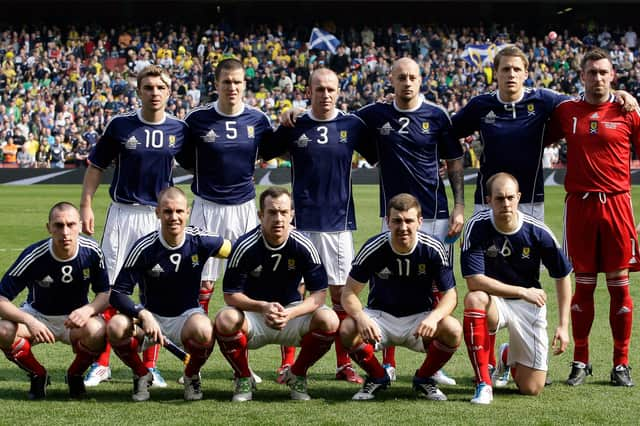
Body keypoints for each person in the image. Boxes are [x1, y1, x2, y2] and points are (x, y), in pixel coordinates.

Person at [281, 58, 464, 385]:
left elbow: (453, 159)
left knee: (437, 285)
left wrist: (460, 205)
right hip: (391, 215)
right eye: (401, 77)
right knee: (386, 282)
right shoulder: (373, 115)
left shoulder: (437, 115)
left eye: (412, 77)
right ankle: (387, 361)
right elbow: (331, 114)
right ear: (390, 81)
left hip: (433, 212)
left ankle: (435, 362)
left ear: (421, 80)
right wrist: (293, 111)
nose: (407, 82)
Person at [262, 68, 376, 385]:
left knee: (340, 295)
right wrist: (284, 116)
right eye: (319, 89)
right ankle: (289, 364)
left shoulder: (352, 125)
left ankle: (344, 365)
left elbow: (380, 152)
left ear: (338, 92)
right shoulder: (295, 124)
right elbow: (266, 149)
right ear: (308, 90)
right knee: (294, 292)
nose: (325, 94)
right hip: (299, 224)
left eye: (331, 89)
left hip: (338, 224)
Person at [80, 64, 188, 388]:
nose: (155, 92)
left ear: (169, 92)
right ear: (139, 91)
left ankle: (150, 367)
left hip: (159, 218)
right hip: (122, 214)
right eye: (149, 87)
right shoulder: (120, 125)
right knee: (111, 290)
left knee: (155, 290)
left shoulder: (180, 129)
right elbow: (96, 166)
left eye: (161, 87)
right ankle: (101, 365)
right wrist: (86, 204)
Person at [547, 48, 640, 387]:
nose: (598, 78)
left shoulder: (629, 112)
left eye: (603, 72)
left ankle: (621, 363)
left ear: (613, 75)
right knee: (582, 287)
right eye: (592, 72)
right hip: (581, 206)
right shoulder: (566, 110)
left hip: (617, 205)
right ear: (582, 76)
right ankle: (581, 361)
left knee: (619, 287)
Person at [107, 187, 231, 402]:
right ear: (157, 213)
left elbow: (238, 250)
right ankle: (141, 373)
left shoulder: (200, 240)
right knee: (116, 326)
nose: (174, 217)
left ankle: (191, 375)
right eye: (167, 211)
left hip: (186, 317)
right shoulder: (144, 247)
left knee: (205, 330)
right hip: (150, 317)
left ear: (188, 212)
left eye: (179, 211)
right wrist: (143, 315)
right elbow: (118, 294)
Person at [214, 187, 338, 402]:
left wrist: (291, 314)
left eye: (283, 212)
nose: (278, 218)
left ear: (292, 215)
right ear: (260, 215)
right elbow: (230, 295)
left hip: (291, 315)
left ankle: (297, 374)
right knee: (225, 319)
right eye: (271, 212)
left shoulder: (304, 245)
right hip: (254, 315)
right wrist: (263, 307)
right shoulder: (244, 246)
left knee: (329, 319)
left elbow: (319, 294)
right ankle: (243, 377)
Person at [460, 173, 572, 404]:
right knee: (474, 299)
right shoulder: (476, 226)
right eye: (499, 198)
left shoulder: (537, 231)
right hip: (496, 300)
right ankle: (484, 383)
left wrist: (563, 325)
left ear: (518, 197)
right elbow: (474, 280)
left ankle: (505, 355)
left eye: (510, 197)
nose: (506, 204)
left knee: (531, 388)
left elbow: (562, 275)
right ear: (489, 200)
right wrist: (521, 290)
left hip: (527, 306)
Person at [340, 193, 461, 401]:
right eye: (396, 221)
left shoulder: (433, 249)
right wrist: (361, 317)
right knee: (347, 328)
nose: (403, 227)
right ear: (388, 222)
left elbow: (450, 295)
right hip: (381, 318)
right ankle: (377, 377)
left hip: (419, 319)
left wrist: (433, 318)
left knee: (453, 329)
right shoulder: (373, 248)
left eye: (409, 221)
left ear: (420, 222)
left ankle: (424, 379)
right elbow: (348, 293)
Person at [177, 58, 273, 316]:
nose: (232, 87)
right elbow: (185, 158)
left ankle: (274, 349)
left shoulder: (258, 119)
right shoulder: (197, 119)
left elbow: (273, 149)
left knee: (256, 278)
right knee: (203, 281)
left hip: (244, 208)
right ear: (216, 85)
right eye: (226, 82)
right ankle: (199, 339)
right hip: (207, 207)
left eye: (237, 82)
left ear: (245, 84)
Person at [0, 202, 110, 399]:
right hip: (38, 316)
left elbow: (104, 293)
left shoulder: (92, 251)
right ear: (49, 228)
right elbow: (1, 299)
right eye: (59, 225)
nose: (65, 232)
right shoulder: (34, 256)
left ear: (80, 225)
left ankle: (75, 375)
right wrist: (30, 321)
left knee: (98, 330)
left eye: (71, 225)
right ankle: (38, 374)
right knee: (2, 330)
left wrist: (88, 310)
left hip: (75, 319)